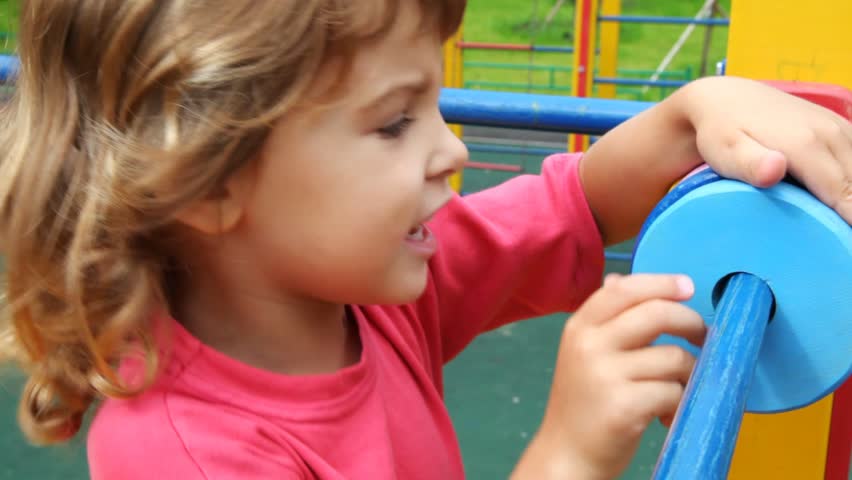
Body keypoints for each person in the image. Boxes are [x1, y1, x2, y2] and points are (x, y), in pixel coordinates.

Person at [0, 1, 849, 479]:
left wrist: (691, 113)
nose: (453, 149)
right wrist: (565, 455)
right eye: (396, 122)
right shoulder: (182, 456)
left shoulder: (371, 289)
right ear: (211, 180)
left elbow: (578, 206)